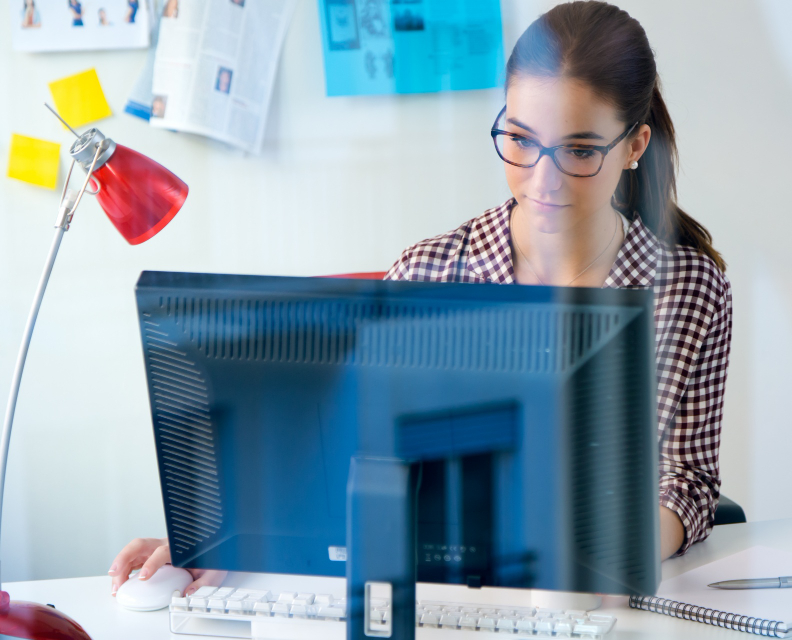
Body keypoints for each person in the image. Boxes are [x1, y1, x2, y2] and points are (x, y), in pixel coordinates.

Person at [108, 0, 732, 597]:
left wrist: (621, 548)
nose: (541, 180)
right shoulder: (430, 271)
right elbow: (350, 466)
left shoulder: (689, 287)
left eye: (577, 150)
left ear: (634, 146)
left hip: (603, 606)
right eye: (519, 140)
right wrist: (219, 542)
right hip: (444, 599)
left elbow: (689, 480)